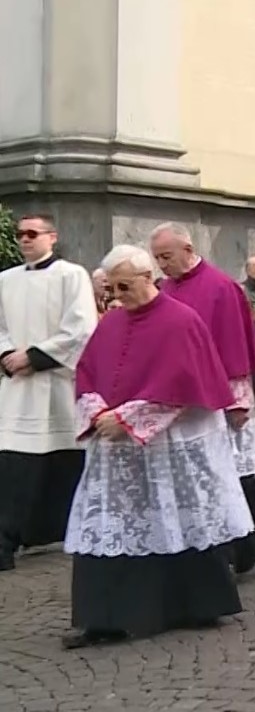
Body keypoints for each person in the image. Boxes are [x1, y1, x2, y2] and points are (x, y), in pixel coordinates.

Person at [64, 244, 254, 648]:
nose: (117, 296)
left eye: (124, 286)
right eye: (111, 288)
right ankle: (106, 618)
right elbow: (87, 372)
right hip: (117, 447)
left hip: (172, 445)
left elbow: (183, 381)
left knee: (175, 519)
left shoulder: (182, 321)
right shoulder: (111, 323)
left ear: (148, 278)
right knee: (112, 524)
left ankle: (190, 606)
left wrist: (129, 418)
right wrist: (98, 413)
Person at [151, 223, 255, 574]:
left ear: (187, 247)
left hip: (221, 399)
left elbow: (235, 345)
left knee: (229, 474)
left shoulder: (221, 288)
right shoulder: (164, 288)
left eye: (166, 256)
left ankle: (248, 545)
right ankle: (246, 546)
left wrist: (238, 402)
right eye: (157, 258)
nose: (162, 265)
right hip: (183, 400)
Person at [0, 213, 97, 572]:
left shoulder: (71, 275)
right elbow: (0, 326)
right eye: (19, 234)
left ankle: (56, 530)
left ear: (52, 237)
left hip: (56, 383)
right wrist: (8, 355)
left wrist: (34, 356)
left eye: (31, 233)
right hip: (17, 386)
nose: (24, 240)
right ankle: (7, 539)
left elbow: (81, 328)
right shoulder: (5, 279)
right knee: (13, 463)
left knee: (60, 460)